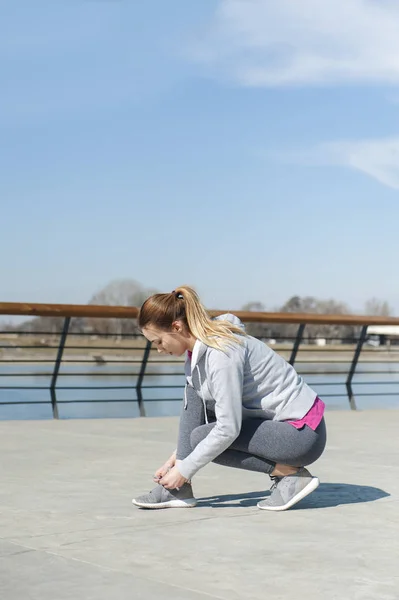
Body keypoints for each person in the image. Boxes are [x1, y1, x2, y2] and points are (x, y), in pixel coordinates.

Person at [132, 286, 326, 512]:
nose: (158, 349)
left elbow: (228, 429)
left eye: (158, 341)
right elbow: (203, 412)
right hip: (285, 429)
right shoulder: (197, 355)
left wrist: (185, 471)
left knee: (202, 439)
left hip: (301, 435)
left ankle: (292, 476)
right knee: (195, 393)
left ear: (176, 327)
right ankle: (178, 490)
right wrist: (176, 461)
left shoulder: (221, 352)